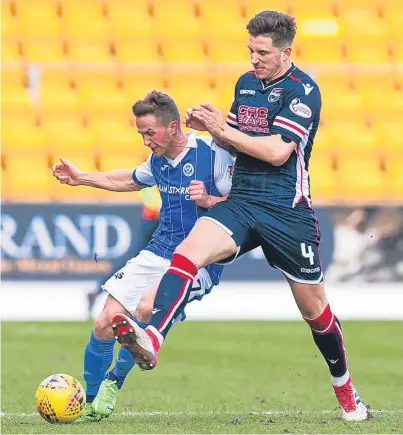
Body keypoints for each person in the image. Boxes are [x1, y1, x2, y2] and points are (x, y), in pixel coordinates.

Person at [112, 11, 369, 421]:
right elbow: (233, 145)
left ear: (286, 52)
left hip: (286, 211)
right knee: (189, 250)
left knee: (314, 311)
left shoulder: (303, 91)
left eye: (262, 52)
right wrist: (210, 128)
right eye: (250, 50)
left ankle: (347, 393)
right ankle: (153, 338)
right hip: (243, 200)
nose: (253, 59)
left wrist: (222, 130)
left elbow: (275, 152)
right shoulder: (246, 85)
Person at [52, 91, 235, 421]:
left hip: (198, 259)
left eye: (150, 133)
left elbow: (244, 205)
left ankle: (114, 381)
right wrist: (82, 178)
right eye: (141, 134)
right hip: (158, 251)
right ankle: (89, 401)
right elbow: (127, 179)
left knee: (147, 307)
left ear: (174, 127)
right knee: (104, 322)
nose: (146, 140)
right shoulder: (158, 161)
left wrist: (209, 199)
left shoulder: (213, 153)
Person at [86, 185, 161, 318]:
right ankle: (99, 289)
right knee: (134, 260)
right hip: (153, 223)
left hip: (157, 223)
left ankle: (98, 290)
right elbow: (155, 206)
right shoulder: (151, 175)